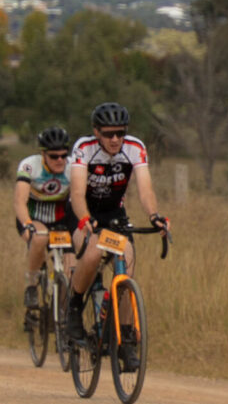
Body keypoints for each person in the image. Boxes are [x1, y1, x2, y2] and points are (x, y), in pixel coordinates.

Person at [65, 103, 167, 343]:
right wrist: (85, 218)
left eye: (120, 133)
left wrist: (154, 216)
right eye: (109, 133)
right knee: (91, 254)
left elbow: (145, 189)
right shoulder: (84, 148)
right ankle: (75, 307)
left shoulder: (134, 147)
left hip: (113, 214)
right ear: (96, 132)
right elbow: (78, 193)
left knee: (127, 266)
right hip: (83, 211)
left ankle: (124, 332)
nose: (115, 139)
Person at [13, 125, 75, 326]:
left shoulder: (73, 168)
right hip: (33, 217)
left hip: (61, 219)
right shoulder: (30, 166)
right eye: (54, 156)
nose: (60, 160)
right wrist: (28, 224)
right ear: (43, 154)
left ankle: (63, 314)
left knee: (70, 269)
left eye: (63, 155)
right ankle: (31, 286)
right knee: (40, 237)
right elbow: (20, 201)